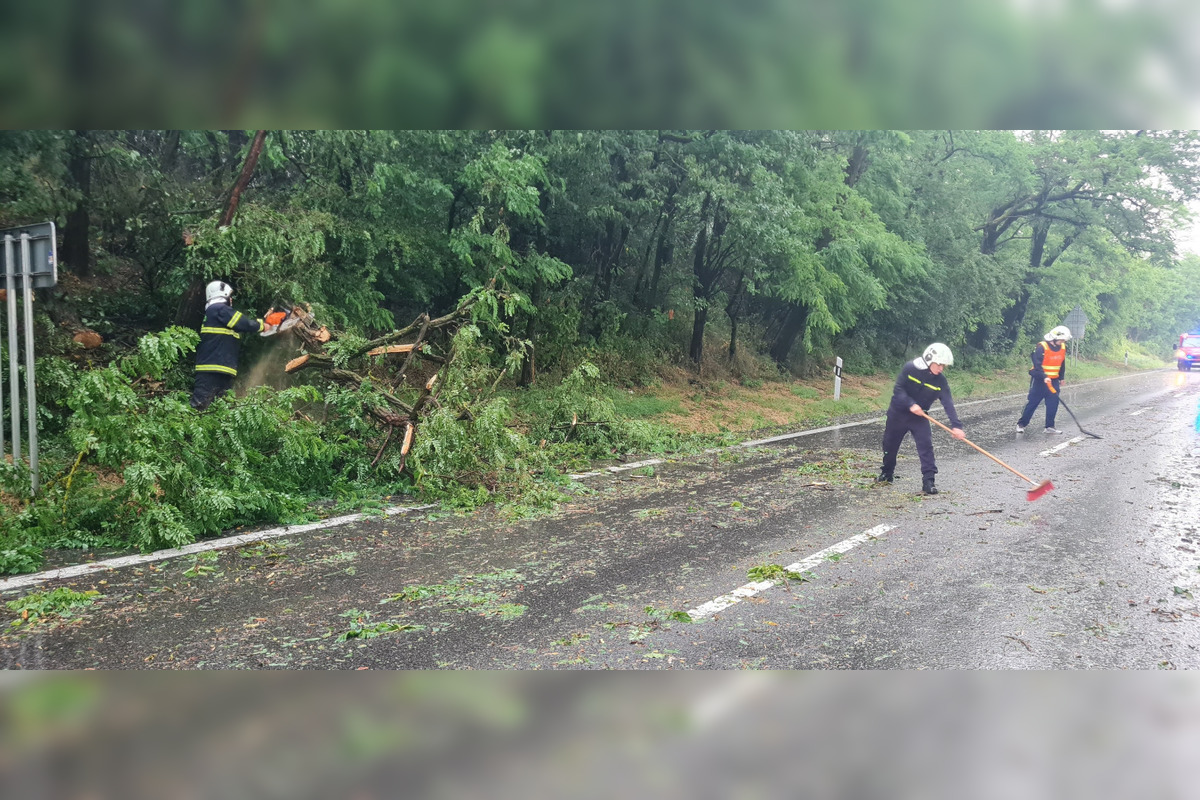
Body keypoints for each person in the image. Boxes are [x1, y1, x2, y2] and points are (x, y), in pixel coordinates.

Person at [876, 342, 966, 495]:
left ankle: (928, 481)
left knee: (926, 447)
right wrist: (910, 404)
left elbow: (948, 403)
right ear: (929, 360)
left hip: (920, 417)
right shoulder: (910, 368)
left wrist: (956, 426)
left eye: (944, 366)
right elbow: (898, 389)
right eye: (939, 364)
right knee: (889, 446)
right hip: (898, 414)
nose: (941, 368)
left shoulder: (941, 381)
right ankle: (887, 473)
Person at [191, 280, 283, 410]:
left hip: (221, 369)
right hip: (211, 369)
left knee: (221, 409)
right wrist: (263, 325)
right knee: (200, 405)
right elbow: (242, 322)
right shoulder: (218, 309)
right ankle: (191, 422)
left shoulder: (216, 315)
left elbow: (239, 325)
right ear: (222, 295)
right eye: (229, 296)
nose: (231, 299)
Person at [1016, 325, 1072, 434]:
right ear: (1054, 338)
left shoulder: (1062, 347)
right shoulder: (1041, 347)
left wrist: (1061, 377)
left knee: (1053, 403)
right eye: (1061, 340)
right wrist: (1044, 376)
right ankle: (1021, 424)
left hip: (1053, 381)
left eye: (1064, 340)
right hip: (1039, 380)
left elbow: (1062, 363)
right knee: (1033, 402)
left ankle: (1049, 426)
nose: (1063, 342)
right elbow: (1037, 364)